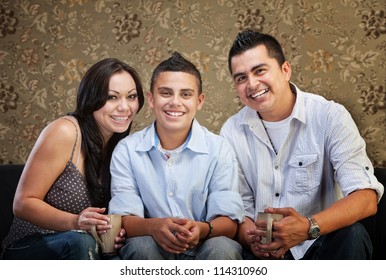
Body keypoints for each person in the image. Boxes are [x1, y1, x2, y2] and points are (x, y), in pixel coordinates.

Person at [220, 28, 384, 260]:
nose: (252, 84)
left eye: (260, 71)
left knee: (353, 234)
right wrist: (253, 240)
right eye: (241, 78)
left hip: (319, 246)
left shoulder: (329, 116)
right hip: (263, 256)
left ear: (285, 70)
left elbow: (365, 197)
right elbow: (240, 210)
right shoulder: (231, 131)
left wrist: (308, 227)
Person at [1, 58, 145, 259]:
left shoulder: (122, 147)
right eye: (112, 97)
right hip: (27, 247)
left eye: (131, 96)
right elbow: (22, 203)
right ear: (91, 98)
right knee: (80, 241)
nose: (125, 107)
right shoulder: (65, 131)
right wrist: (77, 222)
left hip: (82, 251)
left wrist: (110, 232)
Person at [108, 52, 245, 260]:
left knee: (223, 247)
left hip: (204, 244)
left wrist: (201, 229)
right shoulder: (127, 150)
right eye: (166, 93)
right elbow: (123, 216)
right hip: (152, 244)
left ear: (199, 101)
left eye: (186, 94)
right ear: (152, 99)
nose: (175, 102)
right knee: (141, 245)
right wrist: (154, 226)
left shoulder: (219, 148)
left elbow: (229, 222)